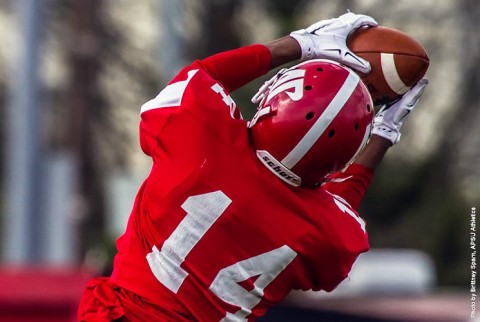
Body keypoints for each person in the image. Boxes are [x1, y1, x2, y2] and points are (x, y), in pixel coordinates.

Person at [78, 12, 428, 321]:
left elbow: (199, 75)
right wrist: (383, 134)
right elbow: (338, 216)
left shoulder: (201, 138)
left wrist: (300, 45)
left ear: (274, 103)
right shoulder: (323, 229)